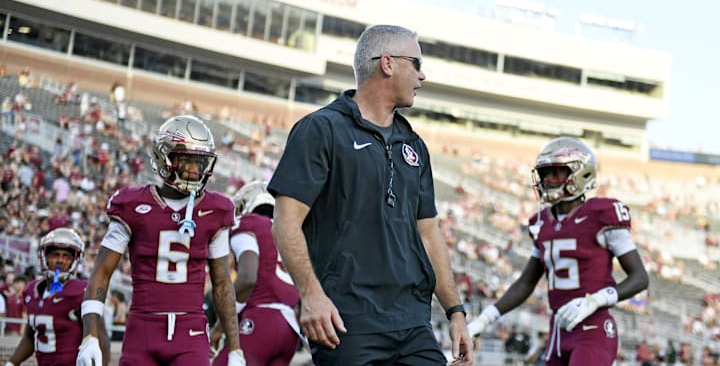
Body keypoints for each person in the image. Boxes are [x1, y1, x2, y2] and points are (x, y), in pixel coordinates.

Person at [268, 24, 473, 365]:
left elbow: (428, 234)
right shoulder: (320, 129)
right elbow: (286, 222)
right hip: (346, 321)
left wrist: (456, 311)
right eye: (417, 63)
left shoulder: (414, 145)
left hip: (412, 322)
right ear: (387, 63)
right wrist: (311, 295)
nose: (423, 76)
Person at [76, 115, 245, 366]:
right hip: (142, 329)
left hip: (191, 332)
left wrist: (235, 349)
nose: (193, 170)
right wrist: (89, 335)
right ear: (164, 158)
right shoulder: (132, 204)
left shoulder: (215, 209)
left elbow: (222, 283)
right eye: (186, 160)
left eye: (199, 163)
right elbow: (102, 272)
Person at [467, 136, 649, 366]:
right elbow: (525, 283)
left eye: (557, 172)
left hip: (592, 328)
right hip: (557, 330)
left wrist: (595, 301)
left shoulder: (601, 214)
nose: (549, 180)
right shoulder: (542, 222)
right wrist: (482, 321)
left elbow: (640, 277)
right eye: (545, 174)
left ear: (580, 173)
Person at [211, 180, 302, 366]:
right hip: (291, 330)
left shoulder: (249, 224)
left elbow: (247, 279)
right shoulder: (289, 235)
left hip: (261, 321)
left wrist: (220, 327)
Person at [6, 228, 99, 366]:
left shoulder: (82, 291)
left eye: (66, 256)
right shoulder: (31, 291)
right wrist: (11, 364)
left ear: (75, 260)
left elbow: (99, 337)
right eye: (55, 254)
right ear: (45, 257)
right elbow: (30, 337)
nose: (60, 260)